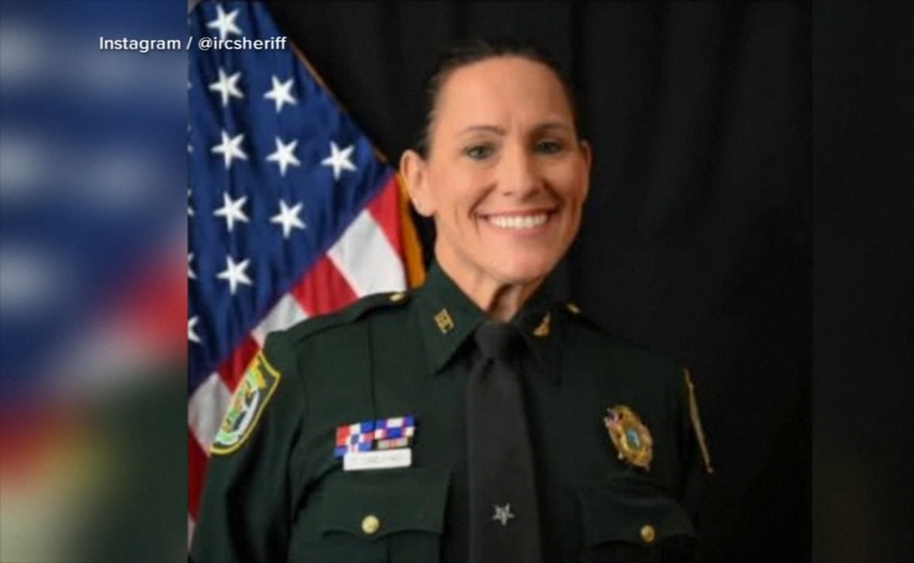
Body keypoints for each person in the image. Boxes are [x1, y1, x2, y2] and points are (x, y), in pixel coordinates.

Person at [191, 38, 713, 563]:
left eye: (549, 146)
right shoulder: (309, 374)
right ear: (419, 183)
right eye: (480, 150)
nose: (522, 181)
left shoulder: (652, 392)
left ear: (585, 169)